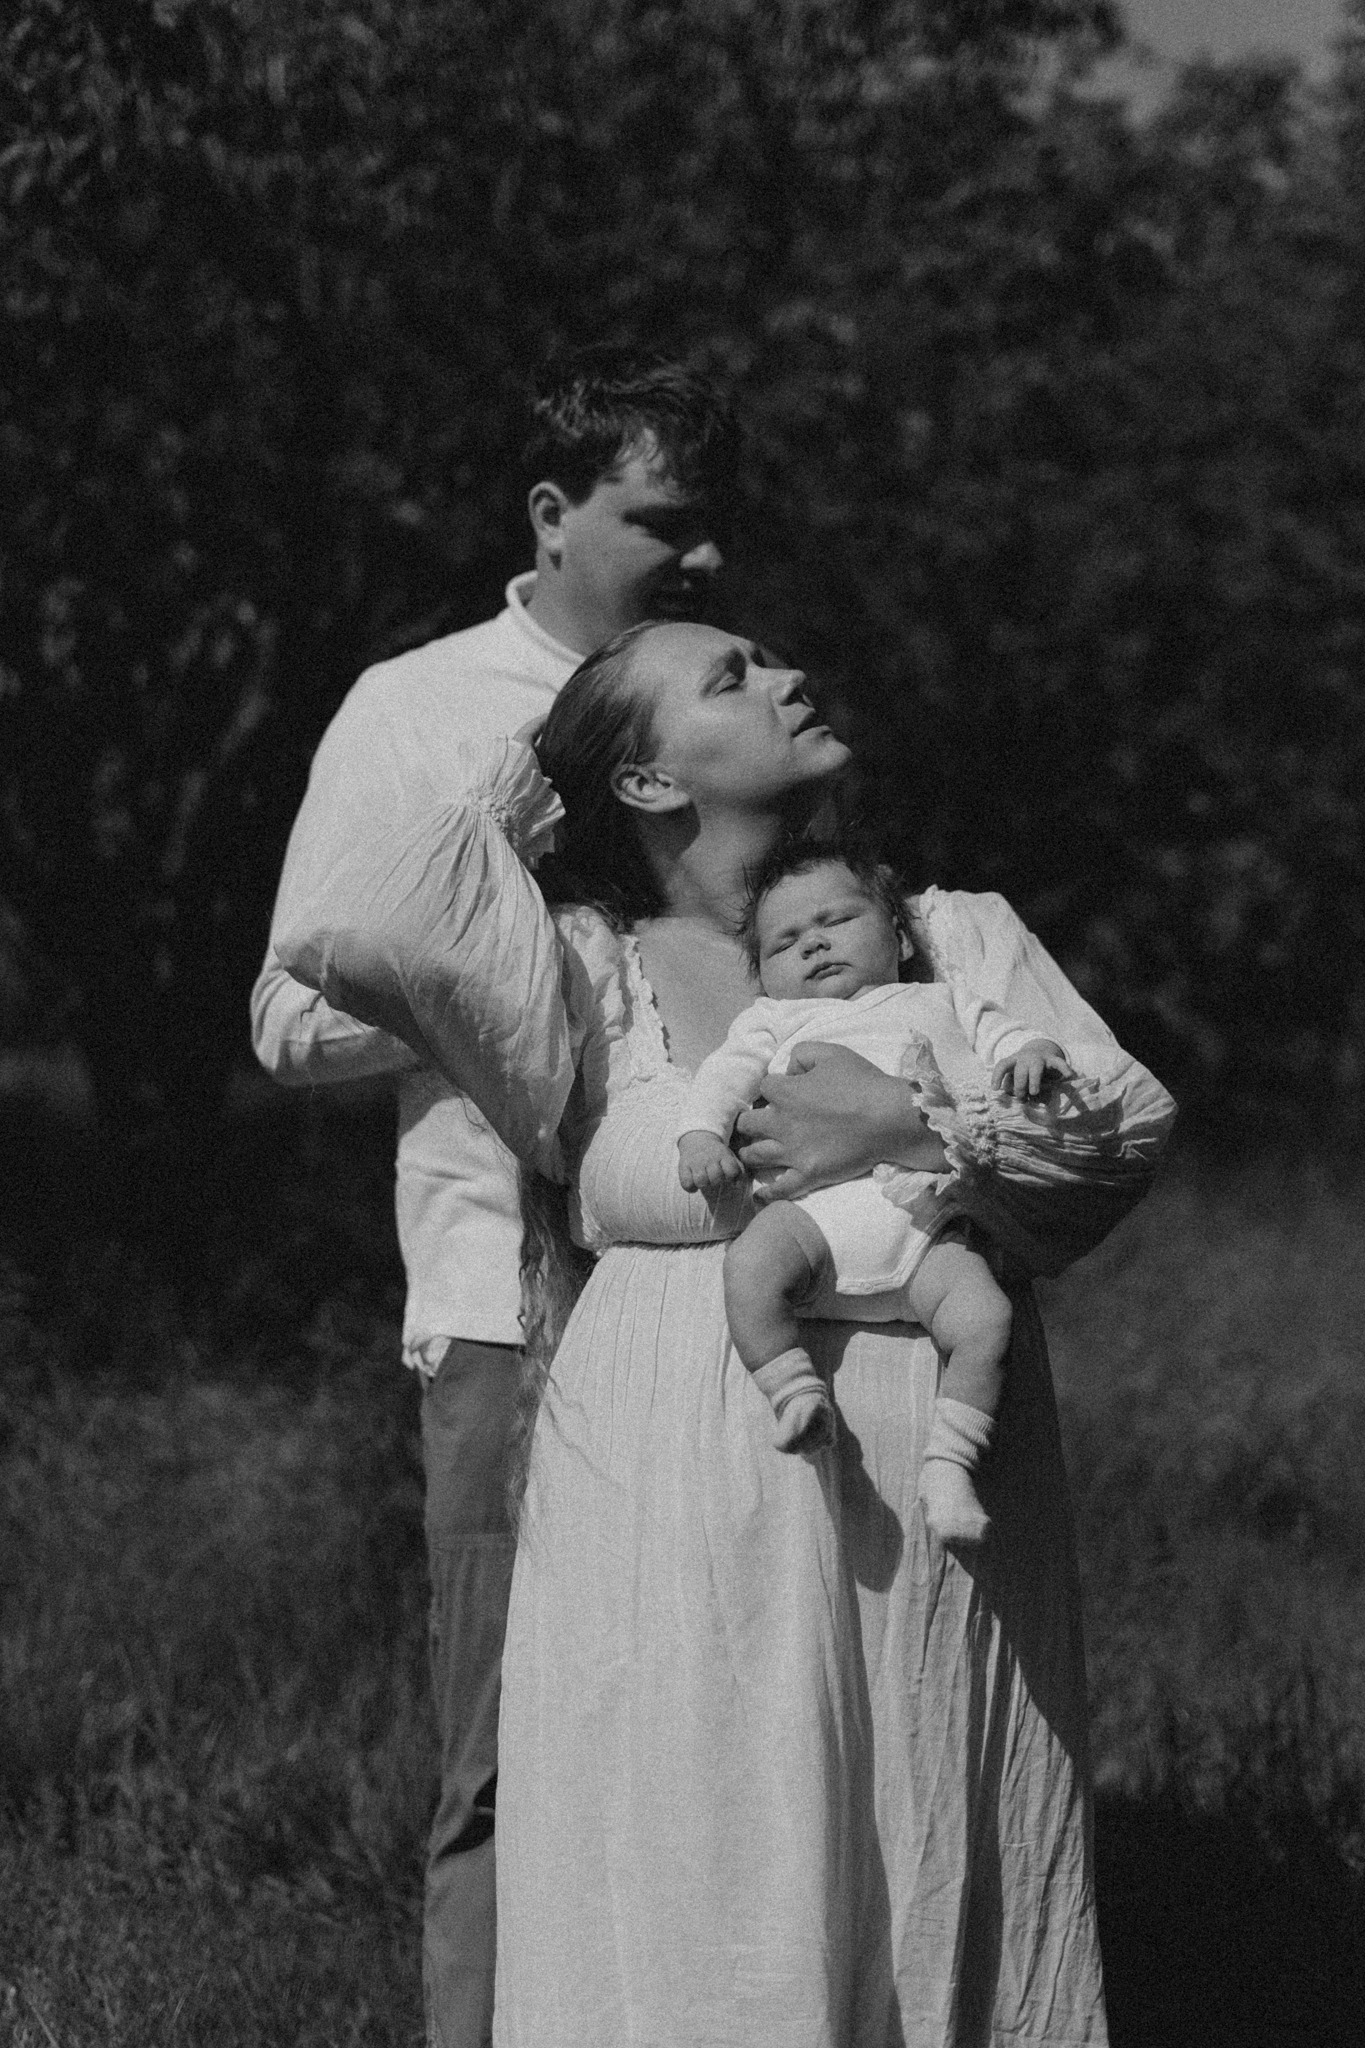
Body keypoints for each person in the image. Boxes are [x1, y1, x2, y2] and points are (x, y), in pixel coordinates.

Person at [274, 615, 1176, 2045]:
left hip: (939, 1512)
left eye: (770, 661)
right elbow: (351, 920)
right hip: (671, 1527)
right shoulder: (572, 967)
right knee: (700, 1886)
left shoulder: (948, 933)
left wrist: (911, 1121)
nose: (789, 675)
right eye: (730, 677)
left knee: (926, 1856)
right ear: (644, 782)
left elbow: (1120, 1131)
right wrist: (533, 778)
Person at [250, 351, 739, 2048]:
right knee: (501, 1759)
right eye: (663, 520)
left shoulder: (724, 696)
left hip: (733, 1296)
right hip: (506, 1311)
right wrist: (493, 956)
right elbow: (287, 1016)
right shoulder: (419, 707)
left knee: (708, 1749)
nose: (702, 557)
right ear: (552, 512)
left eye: (715, 524)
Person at [677, 838, 1074, 1549]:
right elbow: (722, 1079)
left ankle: (950, 1465)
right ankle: (794, 1394)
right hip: (813, 1221)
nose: (813, 944)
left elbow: (1007, 1035)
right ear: (763, 977)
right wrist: (700, 1137)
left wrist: (1033, 1053)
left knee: (986, 1319)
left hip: (924, 1225)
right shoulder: (772, 1021)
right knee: (748, 1268)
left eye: (837, 920)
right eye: (784, 943)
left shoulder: (941, 1001)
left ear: (900, 937)